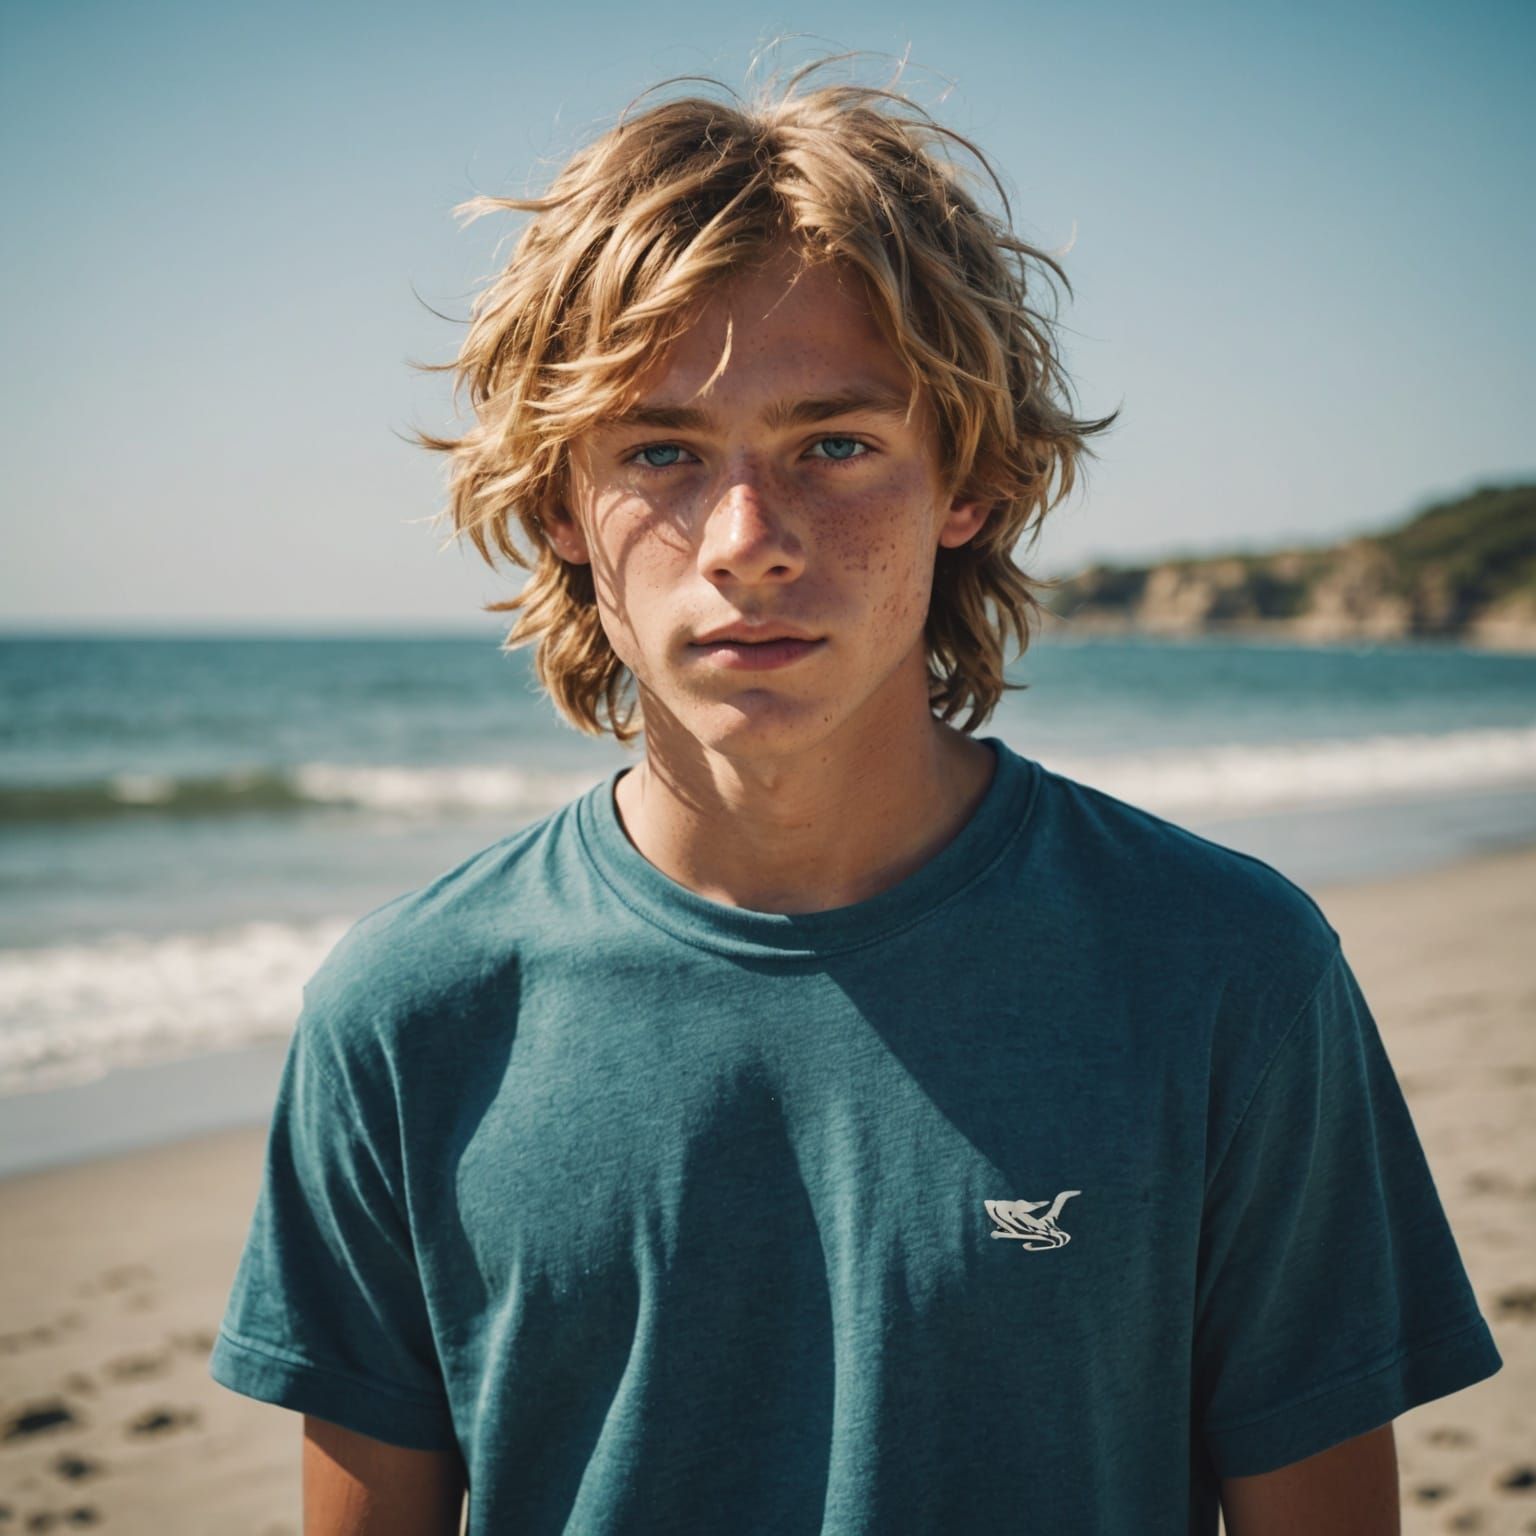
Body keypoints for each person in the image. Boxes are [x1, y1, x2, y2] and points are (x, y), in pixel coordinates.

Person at [208, 58, 1502, 1535]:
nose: (749, 539)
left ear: (970, 479)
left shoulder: (1227, 972)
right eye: (662, 452)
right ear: (560, 504)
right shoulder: (409, 1015)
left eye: (836, 443)